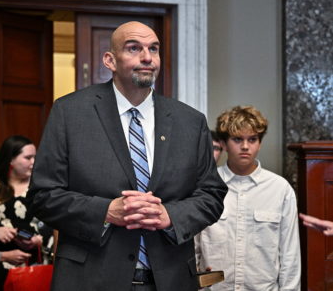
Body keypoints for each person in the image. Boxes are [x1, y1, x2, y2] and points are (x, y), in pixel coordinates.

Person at [28, 21, 227, 291]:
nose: (147, 57)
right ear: (109, 60)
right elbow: (42, 195)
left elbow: (212, 194)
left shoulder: (190, 121)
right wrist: (106, 211)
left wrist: (170, 215)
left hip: (170, 280)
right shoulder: (70, 113)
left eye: (153, 49)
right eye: (134, 48)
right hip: (90, 279)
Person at [196, 106, 301, 290]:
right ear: (223, 143)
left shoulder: (280, 189)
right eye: (237, 139)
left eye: (252, 139)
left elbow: (290, 255)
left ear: (260, 143)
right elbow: (193, 248)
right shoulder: (204, 187)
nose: (245, 146)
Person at [0, 135, 44, 290]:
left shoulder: (40, 187)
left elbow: (54, 225)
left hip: (30, 268)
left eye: (35, 158)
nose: (34, 162)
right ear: (11, 160)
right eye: (28, 158)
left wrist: (39, 240)